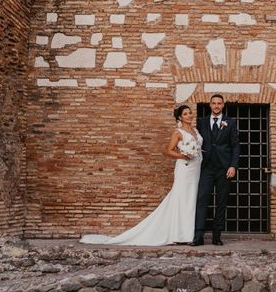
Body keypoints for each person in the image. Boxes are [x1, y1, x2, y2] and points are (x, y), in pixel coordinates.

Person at [80, 105, 202, 246]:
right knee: (181, 199)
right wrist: (184, 155)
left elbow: (197, 146)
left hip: (196, 169)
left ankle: (188, 233)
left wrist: (197, 150)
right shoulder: (178, 132)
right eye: (185, 114)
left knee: (191, 199)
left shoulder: (195, 130)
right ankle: (180, 235)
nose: (189, 115)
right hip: (185, 169)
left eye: (190, 113)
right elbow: (168, 150)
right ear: (180, 117)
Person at [192, 94, 240, 246]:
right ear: (210, 105)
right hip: (206, 168)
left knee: (221, 202)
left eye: (219, 103)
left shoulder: (230, 122)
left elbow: (235, 146)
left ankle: (217, 236)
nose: (216, 106)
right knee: (202, 200)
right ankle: (198, 235)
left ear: (223, 105)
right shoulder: (201, 122)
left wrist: (233, 166)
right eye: (214, 103)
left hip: (224, 168)